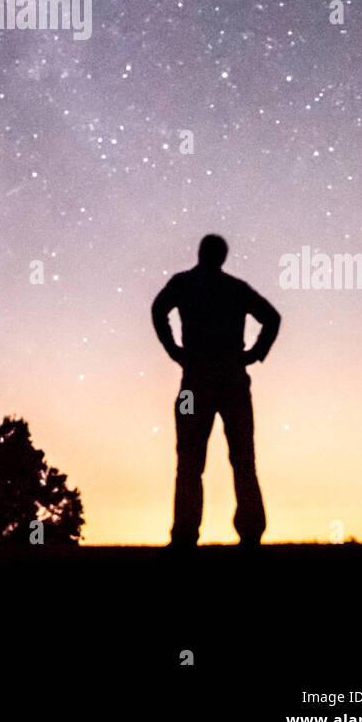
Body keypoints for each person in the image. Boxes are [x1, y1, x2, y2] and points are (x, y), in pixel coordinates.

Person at [151, 234, 281, 548]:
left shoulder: (184, 283)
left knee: (189, 458)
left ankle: (185, 533)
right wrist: (253, 354)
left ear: (200, 253)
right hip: (232, 381)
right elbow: (272, 318)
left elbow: (158, 310)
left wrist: (174, 350)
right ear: (223, 257)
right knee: (243, 457)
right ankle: (250, 532)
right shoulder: (235, 288)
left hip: (194, 382)